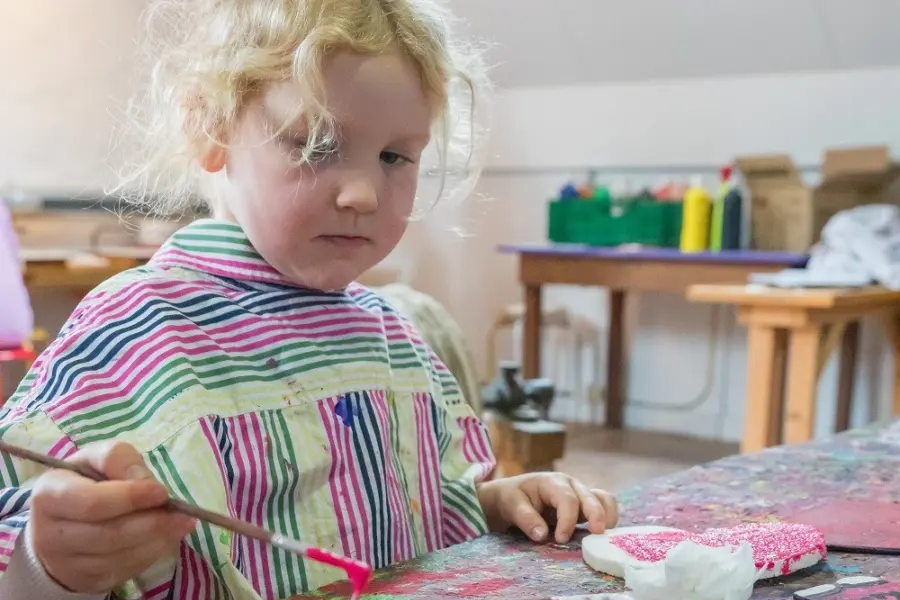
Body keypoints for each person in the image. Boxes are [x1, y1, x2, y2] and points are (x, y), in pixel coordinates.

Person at [0, 0, 618, 598]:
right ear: (211, 126)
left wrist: (497, 503)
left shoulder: (395, 339)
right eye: (319, 144)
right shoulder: (132, 329)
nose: (363, 194)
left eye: (394, 156)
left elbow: (421, 518)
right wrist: (50, 565)